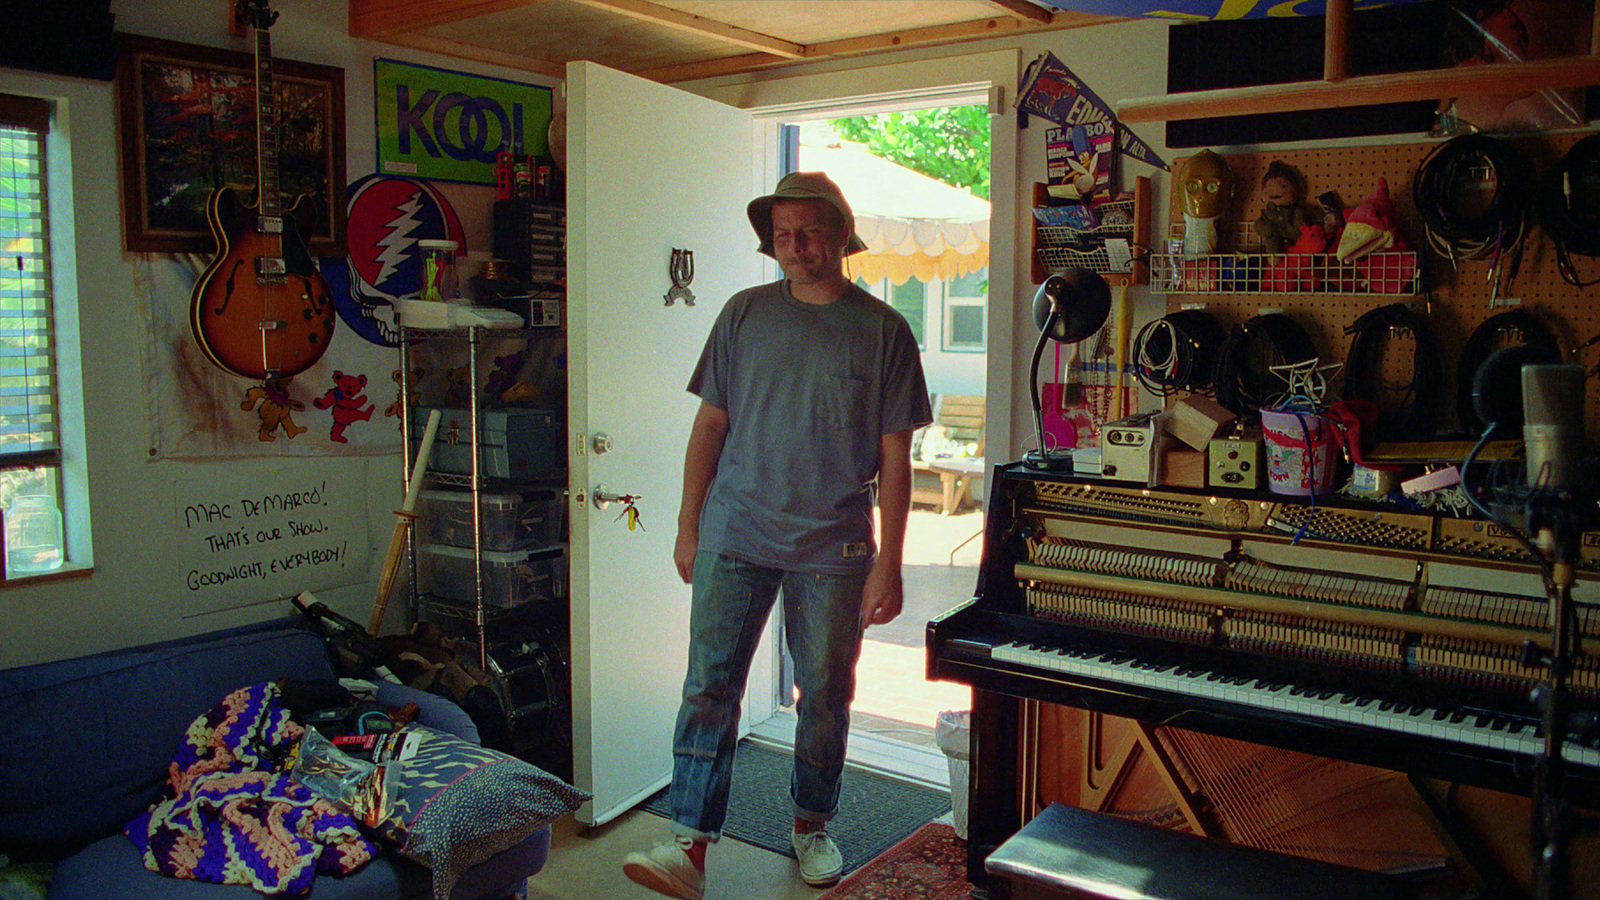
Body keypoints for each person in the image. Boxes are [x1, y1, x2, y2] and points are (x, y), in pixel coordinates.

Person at [622, 172, 932, 900]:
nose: (794, 246)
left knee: (824, 691)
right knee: (709, 688)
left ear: (840, 234)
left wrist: (891, 562)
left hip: (835, 545)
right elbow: (710, 426)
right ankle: (688, 845)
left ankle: (810, 826)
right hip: (736, 530)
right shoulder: (741, 314)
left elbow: (895, 458)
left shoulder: (883, 330)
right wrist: (687, 524)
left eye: (810, 231)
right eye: (783, 233)